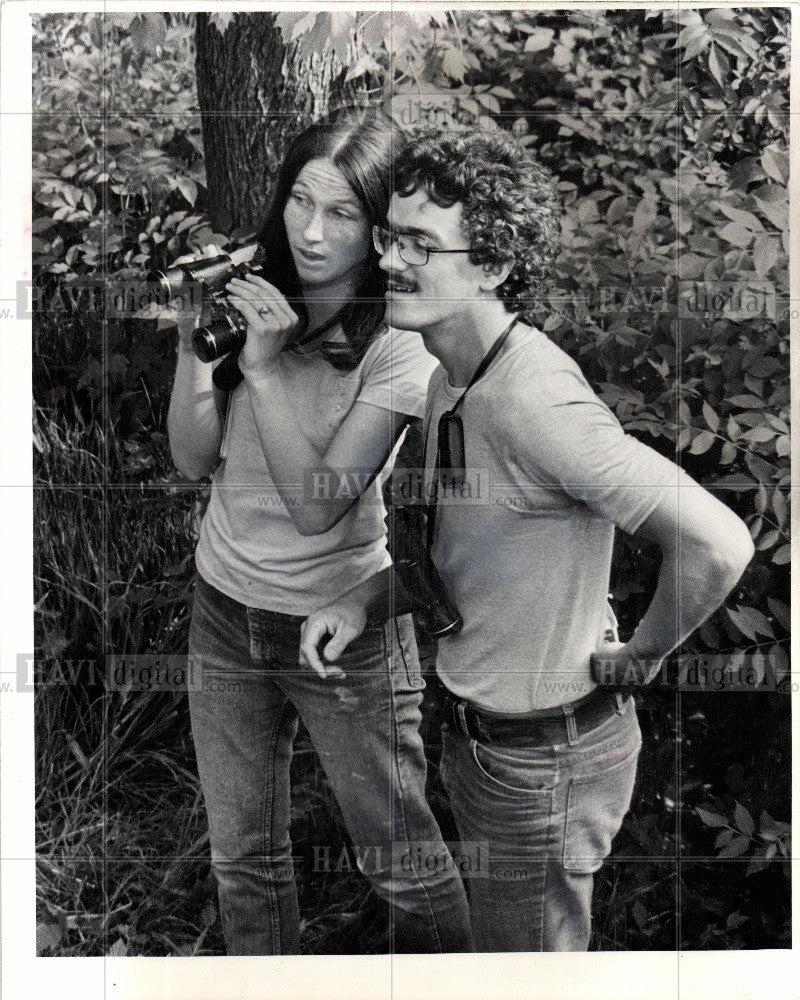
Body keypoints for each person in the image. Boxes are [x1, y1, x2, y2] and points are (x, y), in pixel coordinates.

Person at [299, 130, 755, 952]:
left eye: (424, 245)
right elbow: (466, 553)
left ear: (496, 267)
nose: (394, 261)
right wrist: (363, 599)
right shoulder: (449, 375)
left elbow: (718, 543)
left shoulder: (538, 404)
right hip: (481, 742)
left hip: (544, 764)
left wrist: (641, 656)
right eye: (390, 236)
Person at [166, 107, 472, 955]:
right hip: (224, 607)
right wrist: (201, 349)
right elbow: (194, 463)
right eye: (301, 200)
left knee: (399, 863)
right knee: (244, 860)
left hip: (343, 625)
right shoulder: (254, 295)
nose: (310, 229)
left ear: (380, 230)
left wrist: (261, 372)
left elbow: (320, 504)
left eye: (340, 213)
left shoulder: (400, 343)